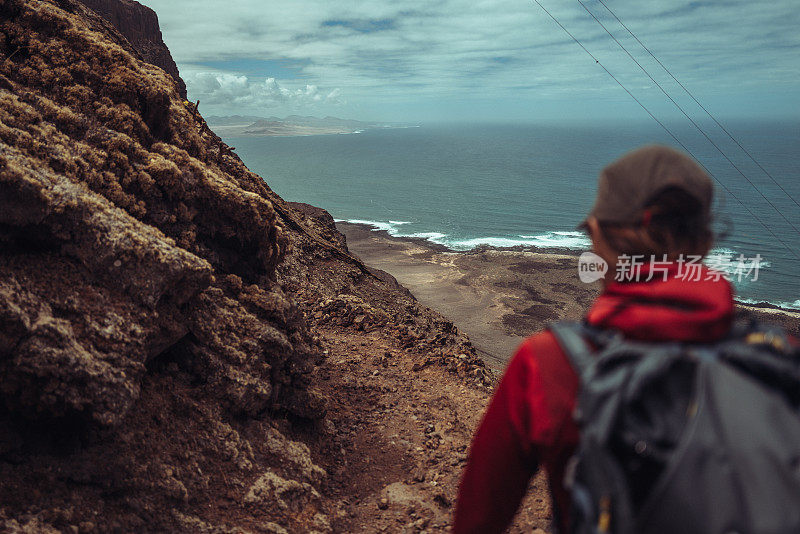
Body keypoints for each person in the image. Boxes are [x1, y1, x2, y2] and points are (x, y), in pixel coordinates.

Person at [452, 145, 736, 533]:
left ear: (600, 235)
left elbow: (477, 520)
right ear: (704, 243)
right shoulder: (779, 361)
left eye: (590, 233)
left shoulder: (548, 363)